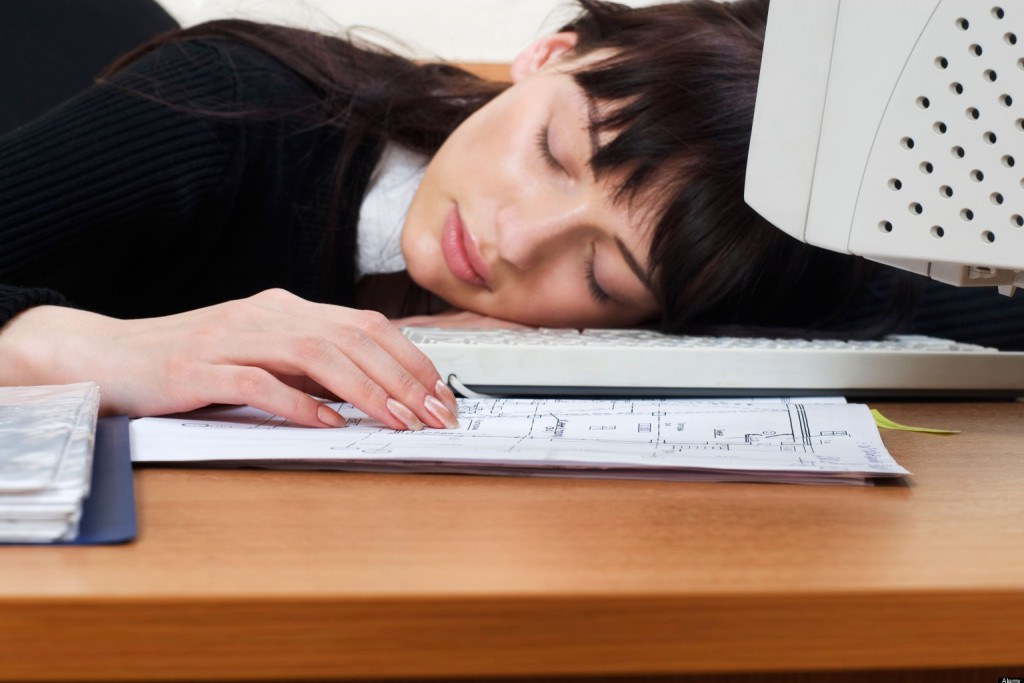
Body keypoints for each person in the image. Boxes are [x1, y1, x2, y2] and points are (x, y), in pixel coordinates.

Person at [0, 0, 904, 430]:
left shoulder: (707, 279)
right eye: (554, 150)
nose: (514, 238)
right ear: (548, 53)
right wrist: (87, 348)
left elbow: (964, 312)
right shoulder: (225, 108)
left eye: (600, 273)